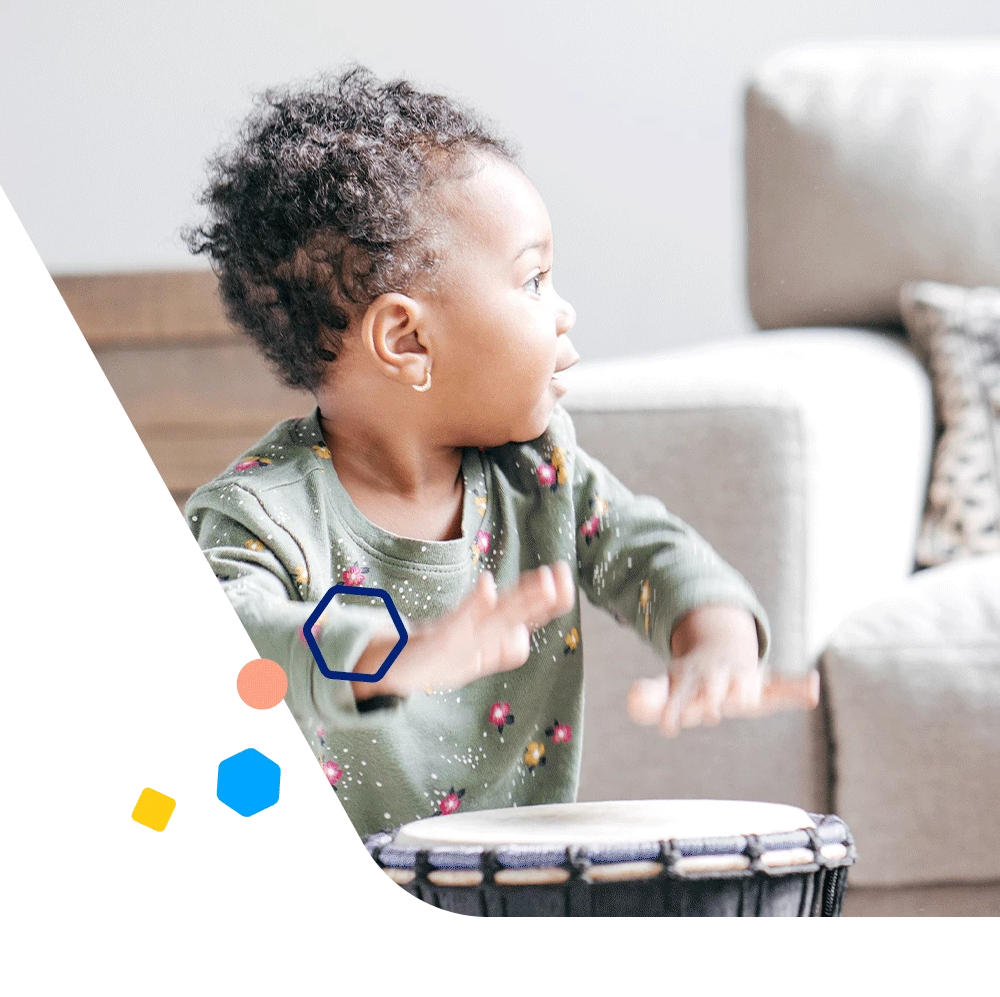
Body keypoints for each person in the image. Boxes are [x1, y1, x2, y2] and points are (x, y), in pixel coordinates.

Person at [183, 68, 814, 835]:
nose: (564, 309)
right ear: (408, 340)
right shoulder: (259, 516)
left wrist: (714, 637)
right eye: (534, 280)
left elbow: (654, 553)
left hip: (518, 883)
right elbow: (253, 645)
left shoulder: (538, 474)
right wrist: (399, 652)